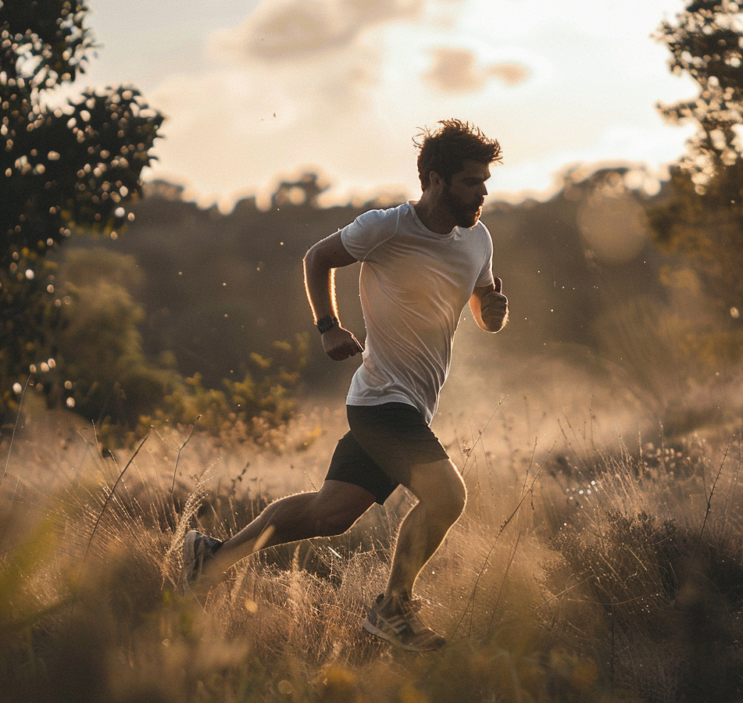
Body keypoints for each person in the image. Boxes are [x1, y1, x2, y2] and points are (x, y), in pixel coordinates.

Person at [180, 119, 509, 652]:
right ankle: (393, 609)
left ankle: (211, 557)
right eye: (472, 181)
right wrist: (329, 327)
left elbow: (486, 309)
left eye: (485, 180)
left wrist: (494, 310)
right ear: (434, 180)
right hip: (383, 402)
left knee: (328, 515)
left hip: (407, 408)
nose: (483, 192)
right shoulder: (387, 227)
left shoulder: (478, 238)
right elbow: (317, 258)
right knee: (448, 497)